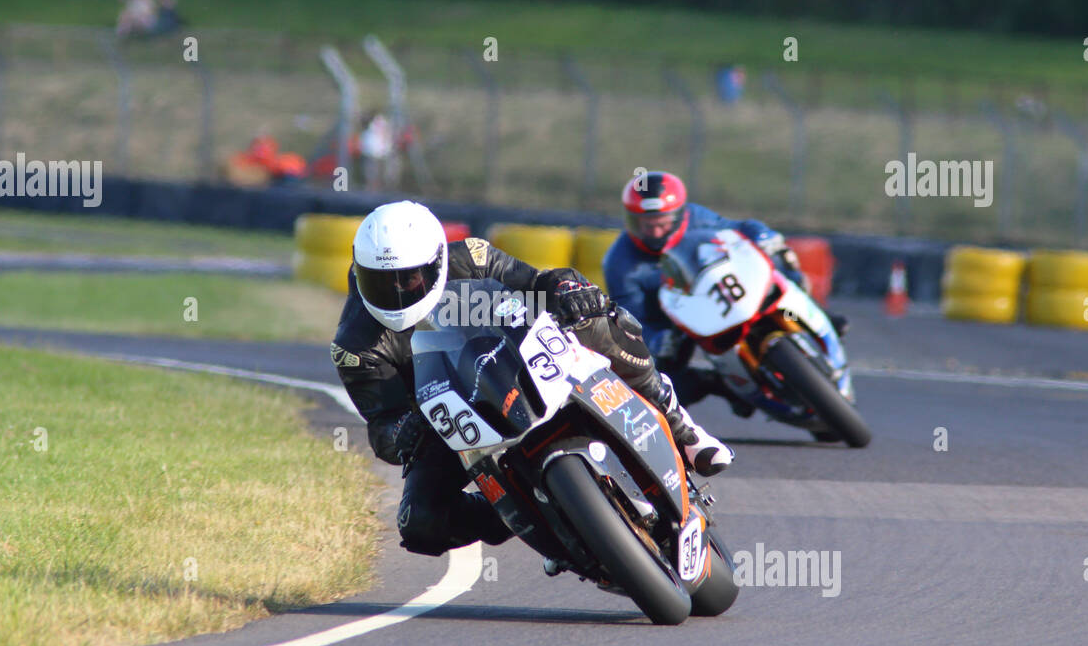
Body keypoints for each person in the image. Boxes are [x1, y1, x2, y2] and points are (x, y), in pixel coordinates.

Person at [331, 200, 733, 559]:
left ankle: (682, 427)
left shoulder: (471, 257)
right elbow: (383, 426)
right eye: (382, 281)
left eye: (409, 277)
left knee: (599, 317)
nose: (398, 291)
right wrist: (405, 430)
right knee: (419, 524)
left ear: (436, 261)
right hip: (448, 422)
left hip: (517, 356)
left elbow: (538, 283)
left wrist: (569, 288)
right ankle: (531, 518)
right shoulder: (356, 345)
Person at [602, 170, 847, 416]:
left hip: (718, 287)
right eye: (646, 225)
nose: (655, 233)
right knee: (661, 389)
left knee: (781, 265)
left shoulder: (695, 217)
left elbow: (738, 228)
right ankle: (720, 385)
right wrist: (656, 339)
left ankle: (819, 316)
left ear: (678, 216)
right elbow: (632, 319)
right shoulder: (619, 263)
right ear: (631, 220)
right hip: (675, 323)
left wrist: (763, 236)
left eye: (662, 223)